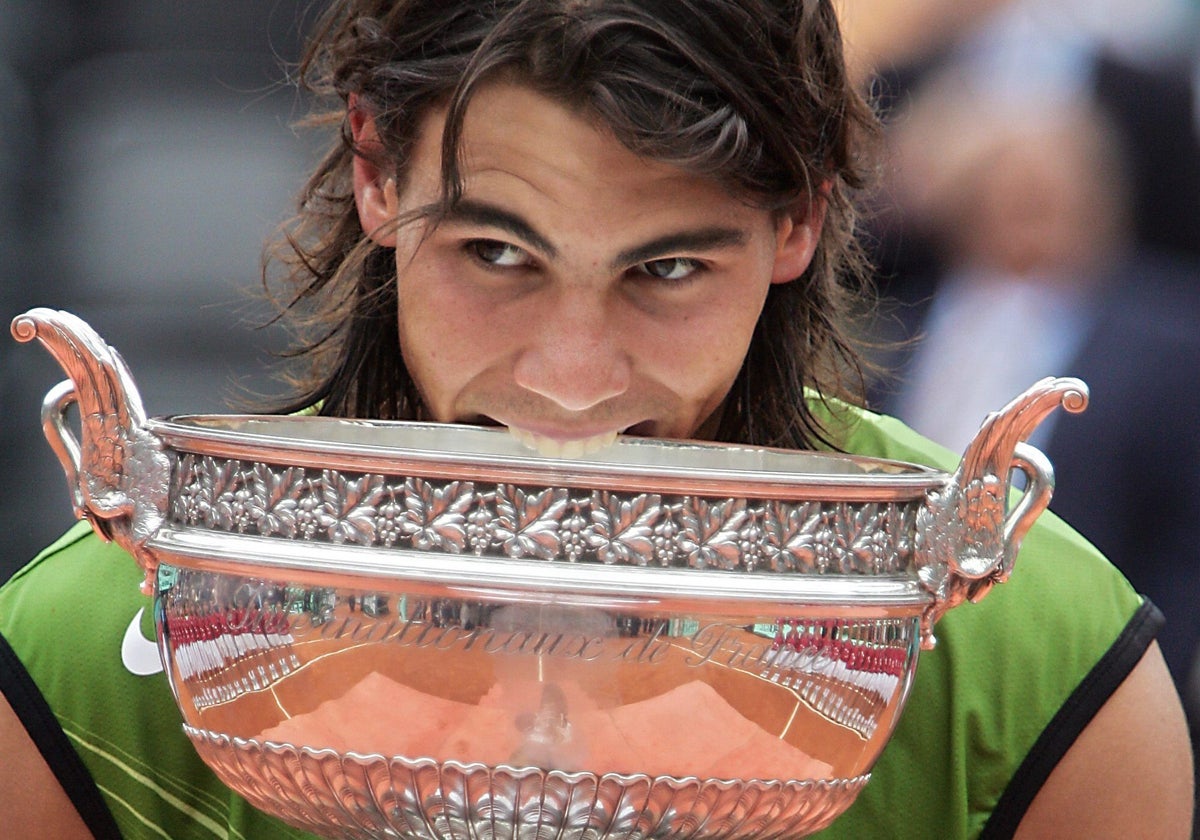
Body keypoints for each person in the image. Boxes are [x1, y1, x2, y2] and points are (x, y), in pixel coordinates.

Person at [0, 1, 1192, 838]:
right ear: (376, 171)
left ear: (800, 222)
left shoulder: (1039, 663)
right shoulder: (86, 661)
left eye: (666, 271)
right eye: (498, 253)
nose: (571, 390)